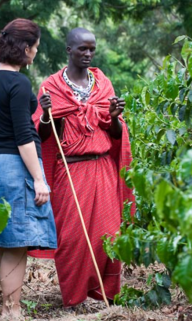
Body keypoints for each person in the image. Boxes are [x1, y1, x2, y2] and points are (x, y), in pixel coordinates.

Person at [27, 27, 134, 306]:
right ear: (69, 51)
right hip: (70, 171)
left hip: (103, 169)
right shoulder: (52, 86)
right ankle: (74, 299)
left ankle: (105, 295)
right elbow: (43, 135)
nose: (88, 54)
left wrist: (113, 118)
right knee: (72, 239)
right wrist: (48, 115)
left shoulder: (102, 84)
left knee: (108, 235)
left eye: (92, 49)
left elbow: (114, 133)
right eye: (82, 49)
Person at [0, 18, 58, 317]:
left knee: (5, 238)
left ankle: (7, 308)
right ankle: (11, 311)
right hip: (15, 164)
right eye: (35, 48)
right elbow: (24, 134)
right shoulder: (18, 81)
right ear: (25, 48)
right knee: (16, 243)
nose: (35, 53)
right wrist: (39, 179)